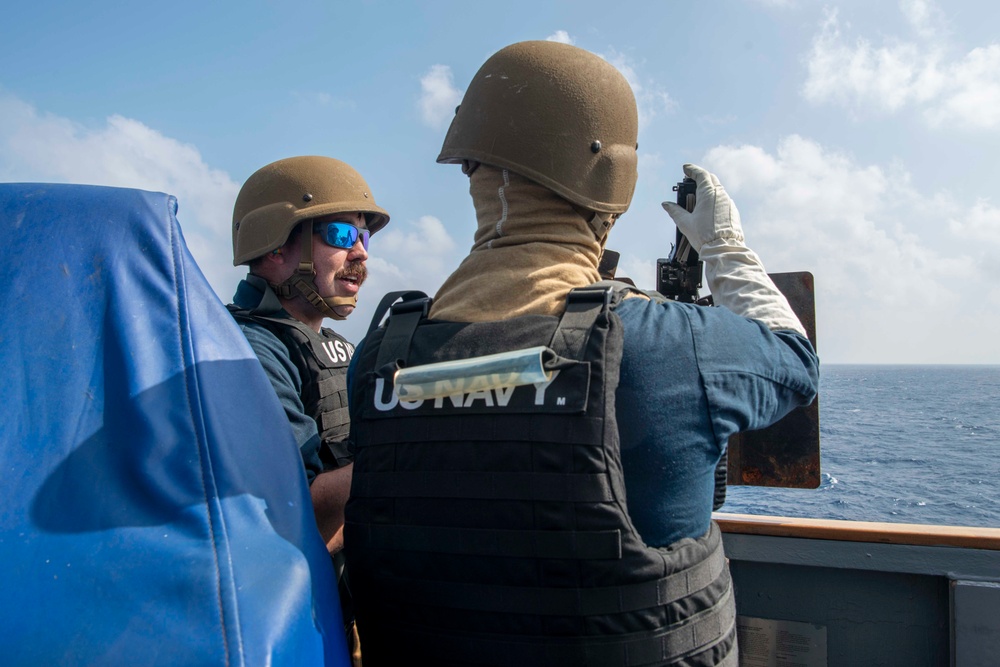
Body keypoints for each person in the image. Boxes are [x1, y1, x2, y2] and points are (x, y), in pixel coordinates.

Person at [343, 41, 819, 666]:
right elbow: (793, 359)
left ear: (472, 169)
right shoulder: (666, 346)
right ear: (611, 180)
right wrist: (726, 248)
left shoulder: (382, 357)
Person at [227, 155, 389, 661]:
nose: (361, 254)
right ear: (275, 246)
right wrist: (409, 451)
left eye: (366, 238)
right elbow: (293, 514)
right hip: (283, 617)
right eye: (342, 235)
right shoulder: (250, 350)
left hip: (330, 605)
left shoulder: (333, 345)